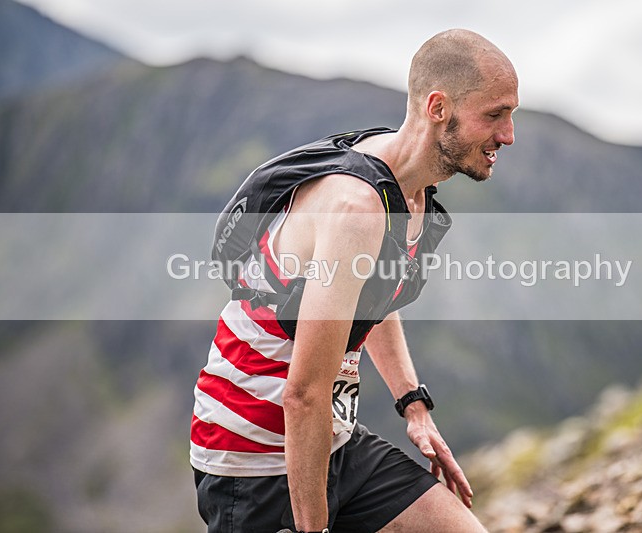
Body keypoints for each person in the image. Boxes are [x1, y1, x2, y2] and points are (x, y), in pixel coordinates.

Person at [190, 28, 518, 532]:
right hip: (253, 456)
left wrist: (413, 404)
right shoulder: (356, 208)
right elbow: (302, 394)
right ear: (438, 108)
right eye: (495, 115)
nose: (508, 134)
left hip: (330, 439)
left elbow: (371, 295)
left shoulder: (407, 187)